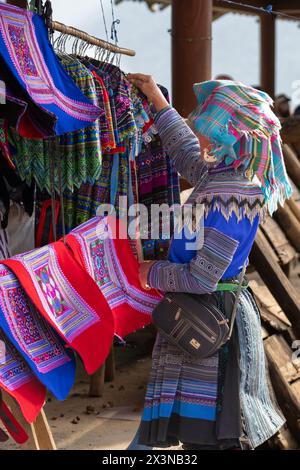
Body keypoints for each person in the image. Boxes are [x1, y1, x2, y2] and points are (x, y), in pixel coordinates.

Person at [126, 74, 291, 450]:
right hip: (201, 313)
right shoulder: (222, 175)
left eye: (203, 124)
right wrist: (155, 98)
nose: (195, 128)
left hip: (210, 317)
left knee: (210, 440)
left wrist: (150, 272)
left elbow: (202, 278)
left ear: (226, 136)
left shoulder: (233, 193)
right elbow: (185, 150)